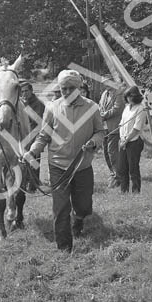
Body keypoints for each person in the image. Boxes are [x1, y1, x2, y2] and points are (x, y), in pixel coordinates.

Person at [23, 69, 105, 252]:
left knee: (83, 206)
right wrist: (32, 151)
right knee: (60, 208)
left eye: (70, 88)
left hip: (82, 165)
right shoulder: (52, 108)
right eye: (63, 89)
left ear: (78, 87)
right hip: (58, 166)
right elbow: (44, 135)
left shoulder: (92, 108)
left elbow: (100, 131)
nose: (66, 92)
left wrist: (93, 142)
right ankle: (64, 248)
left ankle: (79, 219)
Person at [118, 85, 147, 193]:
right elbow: (121, 124)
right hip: (123, 141)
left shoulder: (141, 108)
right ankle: (123, 190)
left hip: (134, 141)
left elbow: (136, 128)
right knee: (122, 168)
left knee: (133, 168)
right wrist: (122, 139)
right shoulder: (126, 108)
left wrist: (126, 140)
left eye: (131, 96)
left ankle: (136, 191)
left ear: (136, 96)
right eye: (127, 96)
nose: (129, 98)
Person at [99, 74, 125, 189]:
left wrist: (103, 116)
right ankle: (113, 173)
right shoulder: (104, 94)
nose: (105, 84)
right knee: (106, 152)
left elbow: (117, 108)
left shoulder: (118, 93)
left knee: (112, 152)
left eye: (107, 81)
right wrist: (100, 115)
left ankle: (118, 176)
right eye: (104, 82)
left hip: (114, 127)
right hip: (104, 128)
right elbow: (100, 106)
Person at [20, 82, 46, 193]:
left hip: (35, 137)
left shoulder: (38, 104)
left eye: (26, 91)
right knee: (22, 161)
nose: (24, 93)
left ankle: (33, 186)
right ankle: (23, 183)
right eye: (22, 92)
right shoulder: (20, 103)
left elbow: (39, 122)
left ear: (31, 91)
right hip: (22, 137)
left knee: (34, 162)